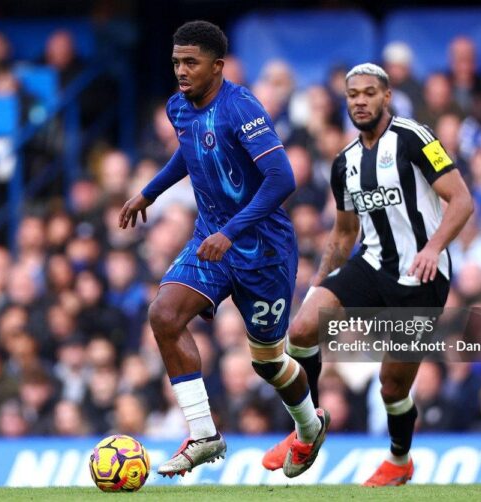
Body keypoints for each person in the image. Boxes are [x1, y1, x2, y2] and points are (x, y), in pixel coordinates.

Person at [119, 20, 328, 478]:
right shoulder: (179, 107)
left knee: (268, 363)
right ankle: (203, 434)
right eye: (176, 62)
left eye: (190, 62)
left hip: (263, 250)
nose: (181, 70)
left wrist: (231, 232)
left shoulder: (241, 107)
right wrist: (149, 193)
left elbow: (282, 179)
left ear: (217, 66)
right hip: (211, 240)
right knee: (164, 314)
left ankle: (310, 427)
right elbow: (189, 152)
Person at [261, 63, 473, 486]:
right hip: (372, 263)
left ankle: (399, 460)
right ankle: (309, 426)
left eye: (369, 92)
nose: (360, 100)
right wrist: (319, 283)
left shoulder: (415, 138)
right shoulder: (345, 162)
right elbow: (344, 232)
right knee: (302, 329)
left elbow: (462, 200)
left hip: (421, 278)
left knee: (392, 386)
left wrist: (433, 248)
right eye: (353, 94)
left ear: (386, 96)